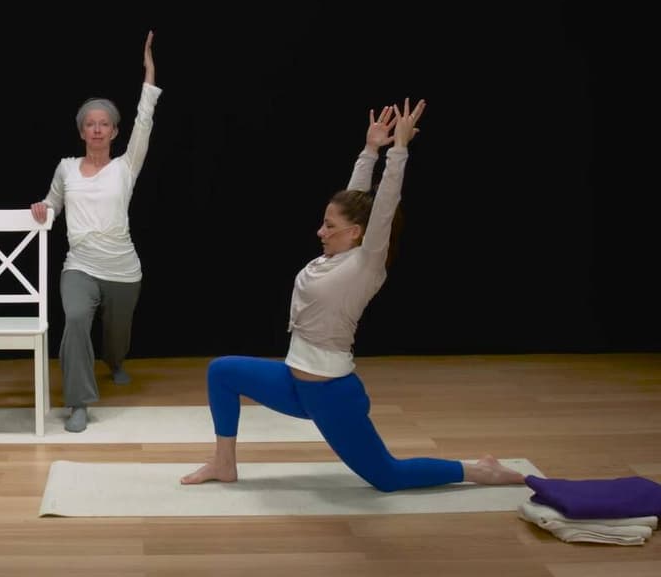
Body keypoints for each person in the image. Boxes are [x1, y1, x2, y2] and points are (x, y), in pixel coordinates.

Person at [181, 98, 527, 491]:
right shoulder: (336, 256)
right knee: (222, 372)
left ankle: (479, 470)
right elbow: (354, 203)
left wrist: (398, 150)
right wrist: (370, 149)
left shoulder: (365, 264)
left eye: (329, 226)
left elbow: (383, 206)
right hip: (296, 384)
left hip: (329, 393)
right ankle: (224, 463)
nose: (321, 231)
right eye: (323, 223)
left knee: (387, 477)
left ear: (355, 233)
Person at [30, 31, 161, 433]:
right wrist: (43, 209)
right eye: (91, 124)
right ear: (82, 132)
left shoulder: (126, 167)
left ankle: (115, 361)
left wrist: (149, 73)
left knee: (116, 337)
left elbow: (144, 122)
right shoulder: (66, 168)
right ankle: (79, 402)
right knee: (74, 320)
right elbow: (53, 204)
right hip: (80, 266)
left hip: (123, 269)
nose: (98, 129)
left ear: (115, 132)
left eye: (104, 124)